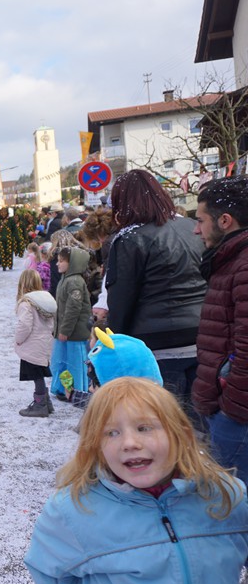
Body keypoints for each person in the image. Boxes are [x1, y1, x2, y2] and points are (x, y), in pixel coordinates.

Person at [25, 377, 248, 584]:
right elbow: (51, 575)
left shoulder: (226, 496)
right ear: (95, 447)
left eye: (144, 428)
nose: (130, 443)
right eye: (111, 433)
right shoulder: (73, 511)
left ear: (181, 435)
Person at [106, 169, 207, 430]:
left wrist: (115, 343)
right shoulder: (191, 227)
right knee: (197, 424)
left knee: (163, 424)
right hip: (201, 334)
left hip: (155, 343)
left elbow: (121, 299)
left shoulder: (130, 238)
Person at [192, 176, 248, 490]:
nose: (196, 230)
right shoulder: (232, 259)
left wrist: (232, 409)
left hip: (237, 416)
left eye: (201, 220)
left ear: (225, 221)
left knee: (233, 500)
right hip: (230, 409)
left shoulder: (243, 264)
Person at [50, 247, 92, 406]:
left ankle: (77, 391)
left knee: (75, 363)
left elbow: (73, 309)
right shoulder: (65, 279)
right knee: (62, 361)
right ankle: (63, 388)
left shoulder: (74, 281)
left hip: (75, 334)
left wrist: (65, 330)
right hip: (65, 333)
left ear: (73, 263)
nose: (57, 264)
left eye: (61, 261)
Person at [14, 270, 57, 417]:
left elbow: (25, 325)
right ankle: (46, 402)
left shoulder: (26, 303)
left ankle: (40, 404)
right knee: (39, 372)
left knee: (36, 374)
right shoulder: (46, 301)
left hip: (31, 344)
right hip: (44, 343)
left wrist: (18, 339)